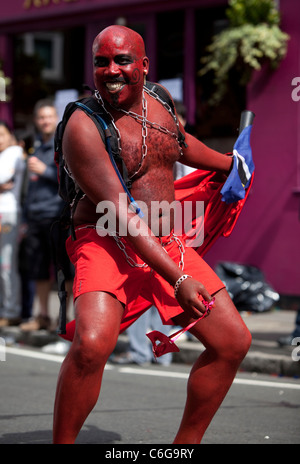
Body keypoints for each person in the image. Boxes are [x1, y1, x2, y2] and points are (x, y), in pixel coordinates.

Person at [53, 25, 252, 444]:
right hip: (107, 238)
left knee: (232, 342)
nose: (111, 70)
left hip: (164, 240)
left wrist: (229, 164)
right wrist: (177, 279)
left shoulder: (158, 98)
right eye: (101, 62)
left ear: (143, 65)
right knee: (91, 345)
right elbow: (121, 214)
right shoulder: (82, 125)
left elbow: (177, 144)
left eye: (122, 60)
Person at [19, 100, 73, 332]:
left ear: (56, 118)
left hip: (57, 216)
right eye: (41, 117)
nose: (45, 121)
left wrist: (47, 171)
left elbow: (71, 179)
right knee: (38, 270)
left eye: (49, 117)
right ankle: (43, 316)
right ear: (36, 120)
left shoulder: (64, 144)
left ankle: (65, 317)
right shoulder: (37, 146)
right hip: (35, 218)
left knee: (64, 269)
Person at [0, 120, 25, 327]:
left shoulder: (15, 152)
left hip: (8, 215)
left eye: (1, 134)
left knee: (7, 264)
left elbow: (3, 176)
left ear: (10, 135)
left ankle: (11, 310)